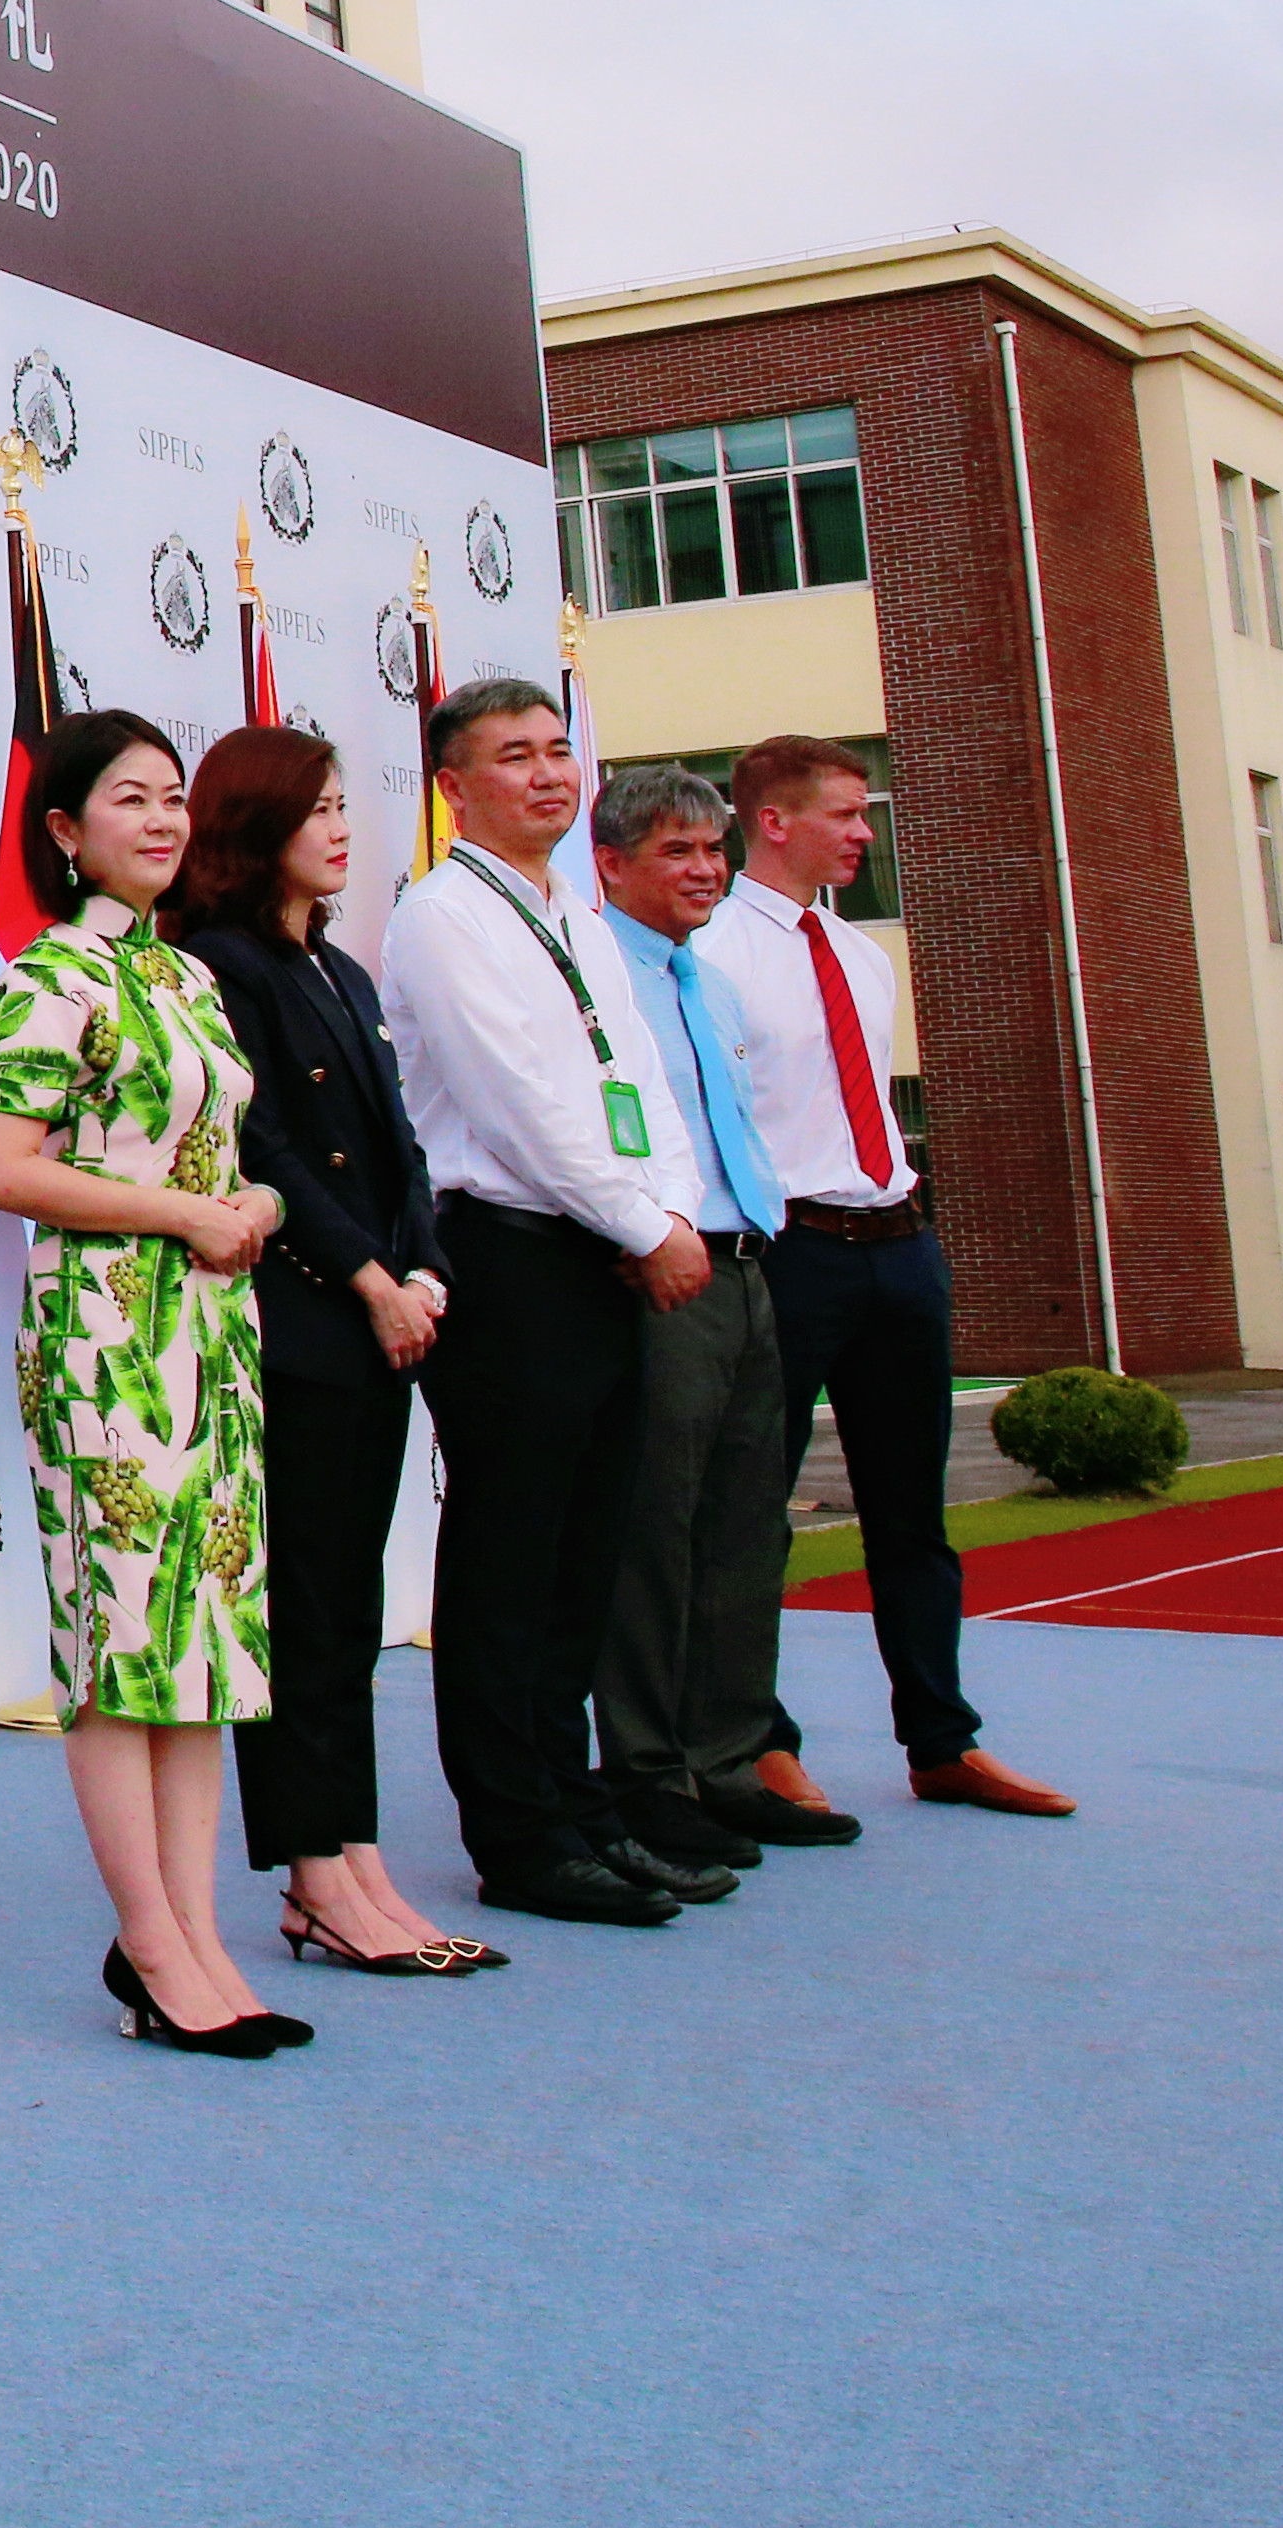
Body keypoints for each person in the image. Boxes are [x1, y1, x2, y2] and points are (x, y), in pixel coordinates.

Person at [0, 707, 302, 2057]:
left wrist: (254, 1205)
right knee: (121, 1648)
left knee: (199, 1641)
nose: (161, 820)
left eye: (173, 796)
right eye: (129, 798)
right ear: (65, 830)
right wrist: (183, 1216)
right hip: (105, 1337)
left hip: (212, 1335)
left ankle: (199, 1936)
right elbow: (1, 1170)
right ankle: (151, 1947)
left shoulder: (188, 978)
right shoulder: (52, 975)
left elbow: (227, 1160)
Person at [379, 679, 735, 1931]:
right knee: (511, 1561)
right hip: (508, 1256)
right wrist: (644, 1227)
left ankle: (580, 1808)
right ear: (454, 786)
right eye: (513, 756)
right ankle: (517, 1836)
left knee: (586, 1557)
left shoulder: (574, 915)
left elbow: (636, 1081)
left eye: (556, 750)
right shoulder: (442, 916)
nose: (546, 774)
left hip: (602, 1253)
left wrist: (670, 1210)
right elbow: (518, 1104)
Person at [171, 725, 498, 1980]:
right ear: (256, 825)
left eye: (343, 803)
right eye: (315, 808)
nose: (342, 827)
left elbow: (402, 1148)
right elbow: (266, 1151)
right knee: (303, 1613)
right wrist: (367, 1277)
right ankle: (312, 1872)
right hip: (299, 1327)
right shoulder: (222, 965)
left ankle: (356, 1858)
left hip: (378, 1326)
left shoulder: (344, 971)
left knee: (350, 1611)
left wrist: (423, 1270)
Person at [696, 734, 1074, 1818]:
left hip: (899, 1245)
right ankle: (755, 1741)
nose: (867, 833)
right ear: (774, 821)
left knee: (912, 1516)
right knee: (751, 1515)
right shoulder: (711, 950)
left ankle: (943, 1742)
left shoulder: (862, 955)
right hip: (792, 1252)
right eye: (848, 813)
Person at [583, 761, 828, 1875]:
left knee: (745, 1526)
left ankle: (729, 1762)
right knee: (657, 1530)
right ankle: (649, 1773)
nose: (705, 870)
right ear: (611, 864)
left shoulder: (710, 985)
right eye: (676, 851)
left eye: (714, 850)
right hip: (660, 1274)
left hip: (748, 1268)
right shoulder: (598, 980)